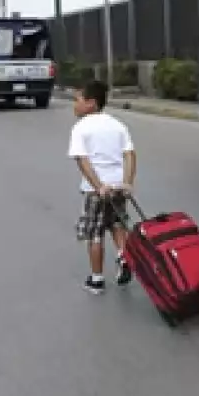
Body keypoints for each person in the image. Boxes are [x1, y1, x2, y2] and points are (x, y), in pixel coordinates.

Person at [67, 80, 135, 294]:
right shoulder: (117, 124)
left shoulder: (80, 127)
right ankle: (123, 255)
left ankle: (96, 279)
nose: (74, 105)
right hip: (117, 186)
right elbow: (130, 154)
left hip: (96, 190)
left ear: (91, 104)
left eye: (78, 100)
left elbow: (82, 160)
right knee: (117, 224)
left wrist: (98, 186)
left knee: (95, 233)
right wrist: (127, 182)